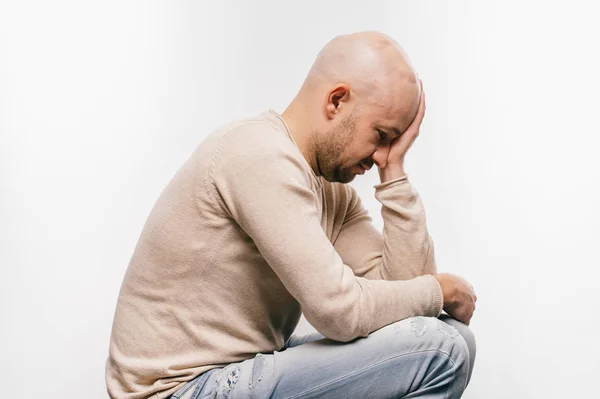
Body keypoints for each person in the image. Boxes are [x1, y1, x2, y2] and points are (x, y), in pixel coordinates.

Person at [106, 31, 478, 399]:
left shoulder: (333, 193)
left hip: (235, 369)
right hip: (179, 390)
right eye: (382, 135)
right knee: (439, 349)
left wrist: (394, 172)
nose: (381, 154)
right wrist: (438, 290)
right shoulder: (259, 154)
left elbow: (405, 306)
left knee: (453, 338)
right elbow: (340, 312)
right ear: (336, 101)